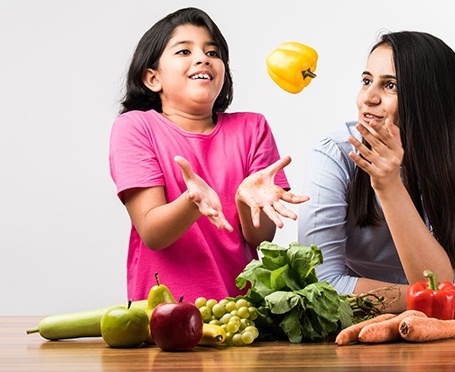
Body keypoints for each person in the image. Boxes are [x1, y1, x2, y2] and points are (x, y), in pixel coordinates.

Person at [298, 31, 455, 315]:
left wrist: (389, 186)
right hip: (370, 309)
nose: (367, 98)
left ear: (429, 99)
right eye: (366, 81)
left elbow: (437, 283)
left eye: (390, 85)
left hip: (441, 312)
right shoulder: (334, 155)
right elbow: (322, 287)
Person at [109, 7, 308, 302]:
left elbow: (260, 238)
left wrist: (244, 200)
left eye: (213, 52)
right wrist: (192, 202)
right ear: (152, 78)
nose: (203, 58)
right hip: (164, 314)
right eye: (184, 51)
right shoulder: (135, 127)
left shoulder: (253, 127)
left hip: (241, 312)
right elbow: (152, 232)